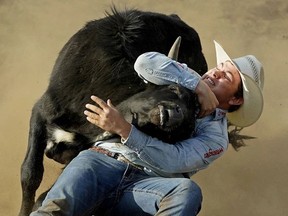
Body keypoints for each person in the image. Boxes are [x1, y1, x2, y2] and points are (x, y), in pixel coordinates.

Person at [30, 41, 264, 216]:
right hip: (102, 163)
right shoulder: (183, 75)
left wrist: (124, 130)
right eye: (220, 66)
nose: (216, 72)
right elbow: (145, 62)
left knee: (186, 191)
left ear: (235, 100)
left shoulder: (216, 137)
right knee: (53, 211)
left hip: (144, 185)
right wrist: (197, 85)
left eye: (227, 76)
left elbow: (175, 160)